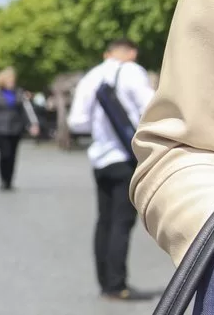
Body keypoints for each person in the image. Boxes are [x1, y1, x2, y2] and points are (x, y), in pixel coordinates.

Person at [69, 38, 154, 302]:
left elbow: (77, 122)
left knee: (104, 221)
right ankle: (118, 285)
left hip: (100, 158)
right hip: (124, 156)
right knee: (121, 222)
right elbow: (152, 110)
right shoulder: (132, 72)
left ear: (107, 53)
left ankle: (105, 282)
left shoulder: (92, 76)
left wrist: (101, 130)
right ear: (132, 52)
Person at [0, 67, 39, 190]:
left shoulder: (19, 93)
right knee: (4, 154)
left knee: (13, 155)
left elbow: (27, 110)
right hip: (0, 128)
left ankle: (10, 180)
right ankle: (3, 179)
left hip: (15, 127)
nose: (11, 82)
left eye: (13, 79)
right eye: (9, 79)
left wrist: (33, 124)